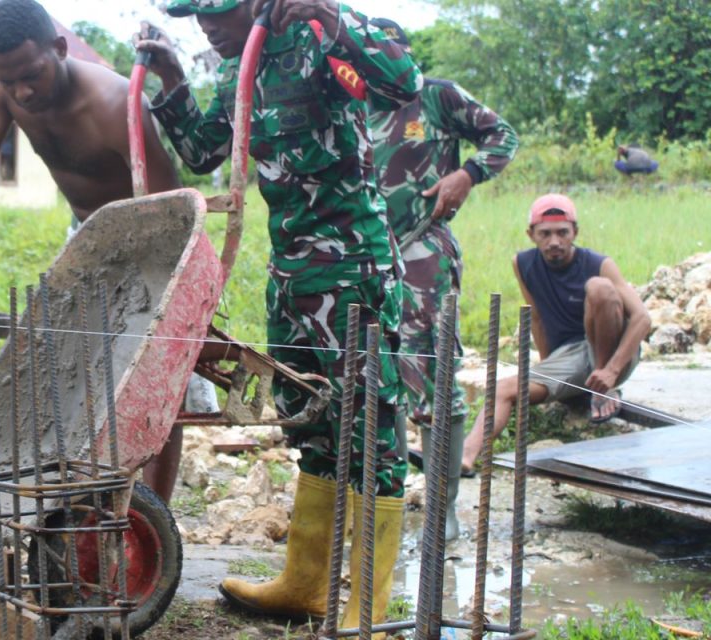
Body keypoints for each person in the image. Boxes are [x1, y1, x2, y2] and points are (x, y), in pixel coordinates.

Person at [136, 0, 420, 628]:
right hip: (291, 278)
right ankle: (306, 583)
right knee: (310, 422)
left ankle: (367, 606)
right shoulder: (239, 65)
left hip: (352, 272)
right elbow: (205, 150)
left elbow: (403, 82)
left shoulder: (322, 33)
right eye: (195, 15)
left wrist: (332, 16)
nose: (206, 24)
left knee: (369, 428)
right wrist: (174, 80)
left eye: (217, 11)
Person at [0, 0, 195, 502]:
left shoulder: (114, 104)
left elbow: (174, 212)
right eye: (8, 79)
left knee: (159, 383)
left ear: (59, 49)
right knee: (74, 375)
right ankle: (88, 501)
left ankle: (153, 516)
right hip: (87, 241)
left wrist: (171, 300)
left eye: (31, 75)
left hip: (153, 246)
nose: (22, 91)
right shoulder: (6, 90)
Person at [367, 18, 519, 542]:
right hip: (366, 257)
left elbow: (503, 135)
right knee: (376, 379)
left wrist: (467, 174)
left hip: (423, 249)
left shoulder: (434, 97)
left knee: (433, 377)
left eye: (393, 51)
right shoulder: (350, 102)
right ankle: (382, 503)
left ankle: (442, 508)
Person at [461, 194, 651, 473]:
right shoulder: (523, 264)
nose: (554, 241)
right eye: (545, 234)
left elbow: (642, 318)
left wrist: (611, 371)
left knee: (599, 288)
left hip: (612, 354)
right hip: (570, 357)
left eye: (562, 233)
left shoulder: (598, 263)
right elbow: (537, 318)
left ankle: (603, 389)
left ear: (575, 232)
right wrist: (550, 371)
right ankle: (465, 457)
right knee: (503, 389)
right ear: (531, 235)